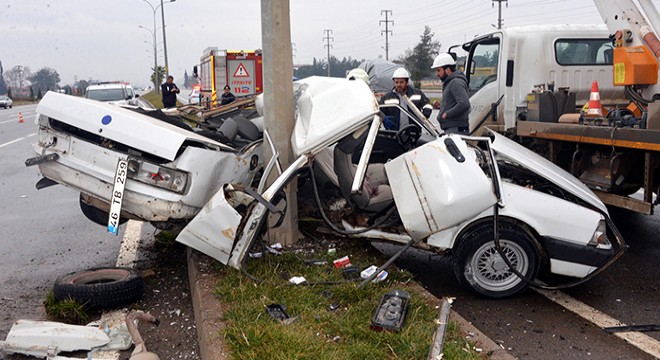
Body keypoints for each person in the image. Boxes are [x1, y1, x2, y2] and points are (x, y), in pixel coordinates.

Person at [431, 53, 471, 134]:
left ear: (447, 70)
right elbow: (454, 103)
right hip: (452, 129)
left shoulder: (456, 82)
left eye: (439, 70)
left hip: (455, 130)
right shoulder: (450, 82)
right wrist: (442, 106)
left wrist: (447, 114)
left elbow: (464, 104)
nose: (437, 74)